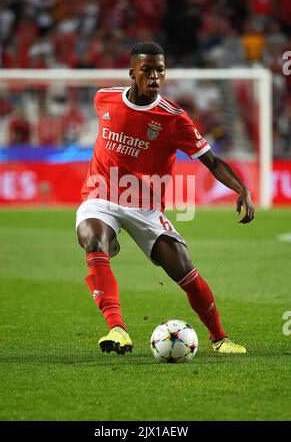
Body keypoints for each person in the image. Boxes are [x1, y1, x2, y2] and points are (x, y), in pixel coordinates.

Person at [76, 42, 254, 355]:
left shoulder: (174, 119)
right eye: (147, 69)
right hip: (100, 196)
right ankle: (117, 329)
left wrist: (241, 188)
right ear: (133, 72)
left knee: (184, 269)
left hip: (146, 208)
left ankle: (220, 339)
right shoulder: (104, 98)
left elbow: (211, 161)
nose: (155, 76)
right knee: (92, 238)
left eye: (160, 69)